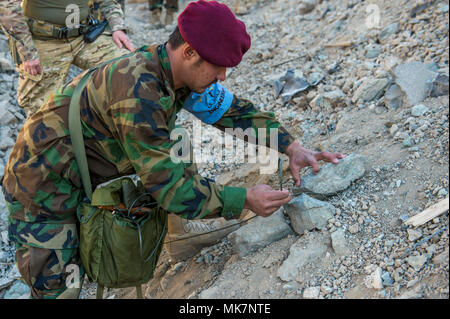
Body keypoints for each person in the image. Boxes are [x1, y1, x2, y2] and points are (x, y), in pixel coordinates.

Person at [1, 0, 345, 298]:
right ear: (189, 52)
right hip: (41, 184)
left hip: (89, 170)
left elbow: (233, 112)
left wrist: (291, 146)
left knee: (173, 140)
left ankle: (178, 234)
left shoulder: (173, 72)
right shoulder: (138, 92)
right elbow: (170, 188)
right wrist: (243, 200)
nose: (223, 76)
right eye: (218, 66)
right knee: (60, 287)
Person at [0, 0, 134, 116]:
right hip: (43, 40)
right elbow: (6, 6)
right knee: (42, 113)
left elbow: (107, 1)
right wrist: (28, 52)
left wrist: (117, 27)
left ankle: (112, 129)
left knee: (130, 68)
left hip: (85, 35)